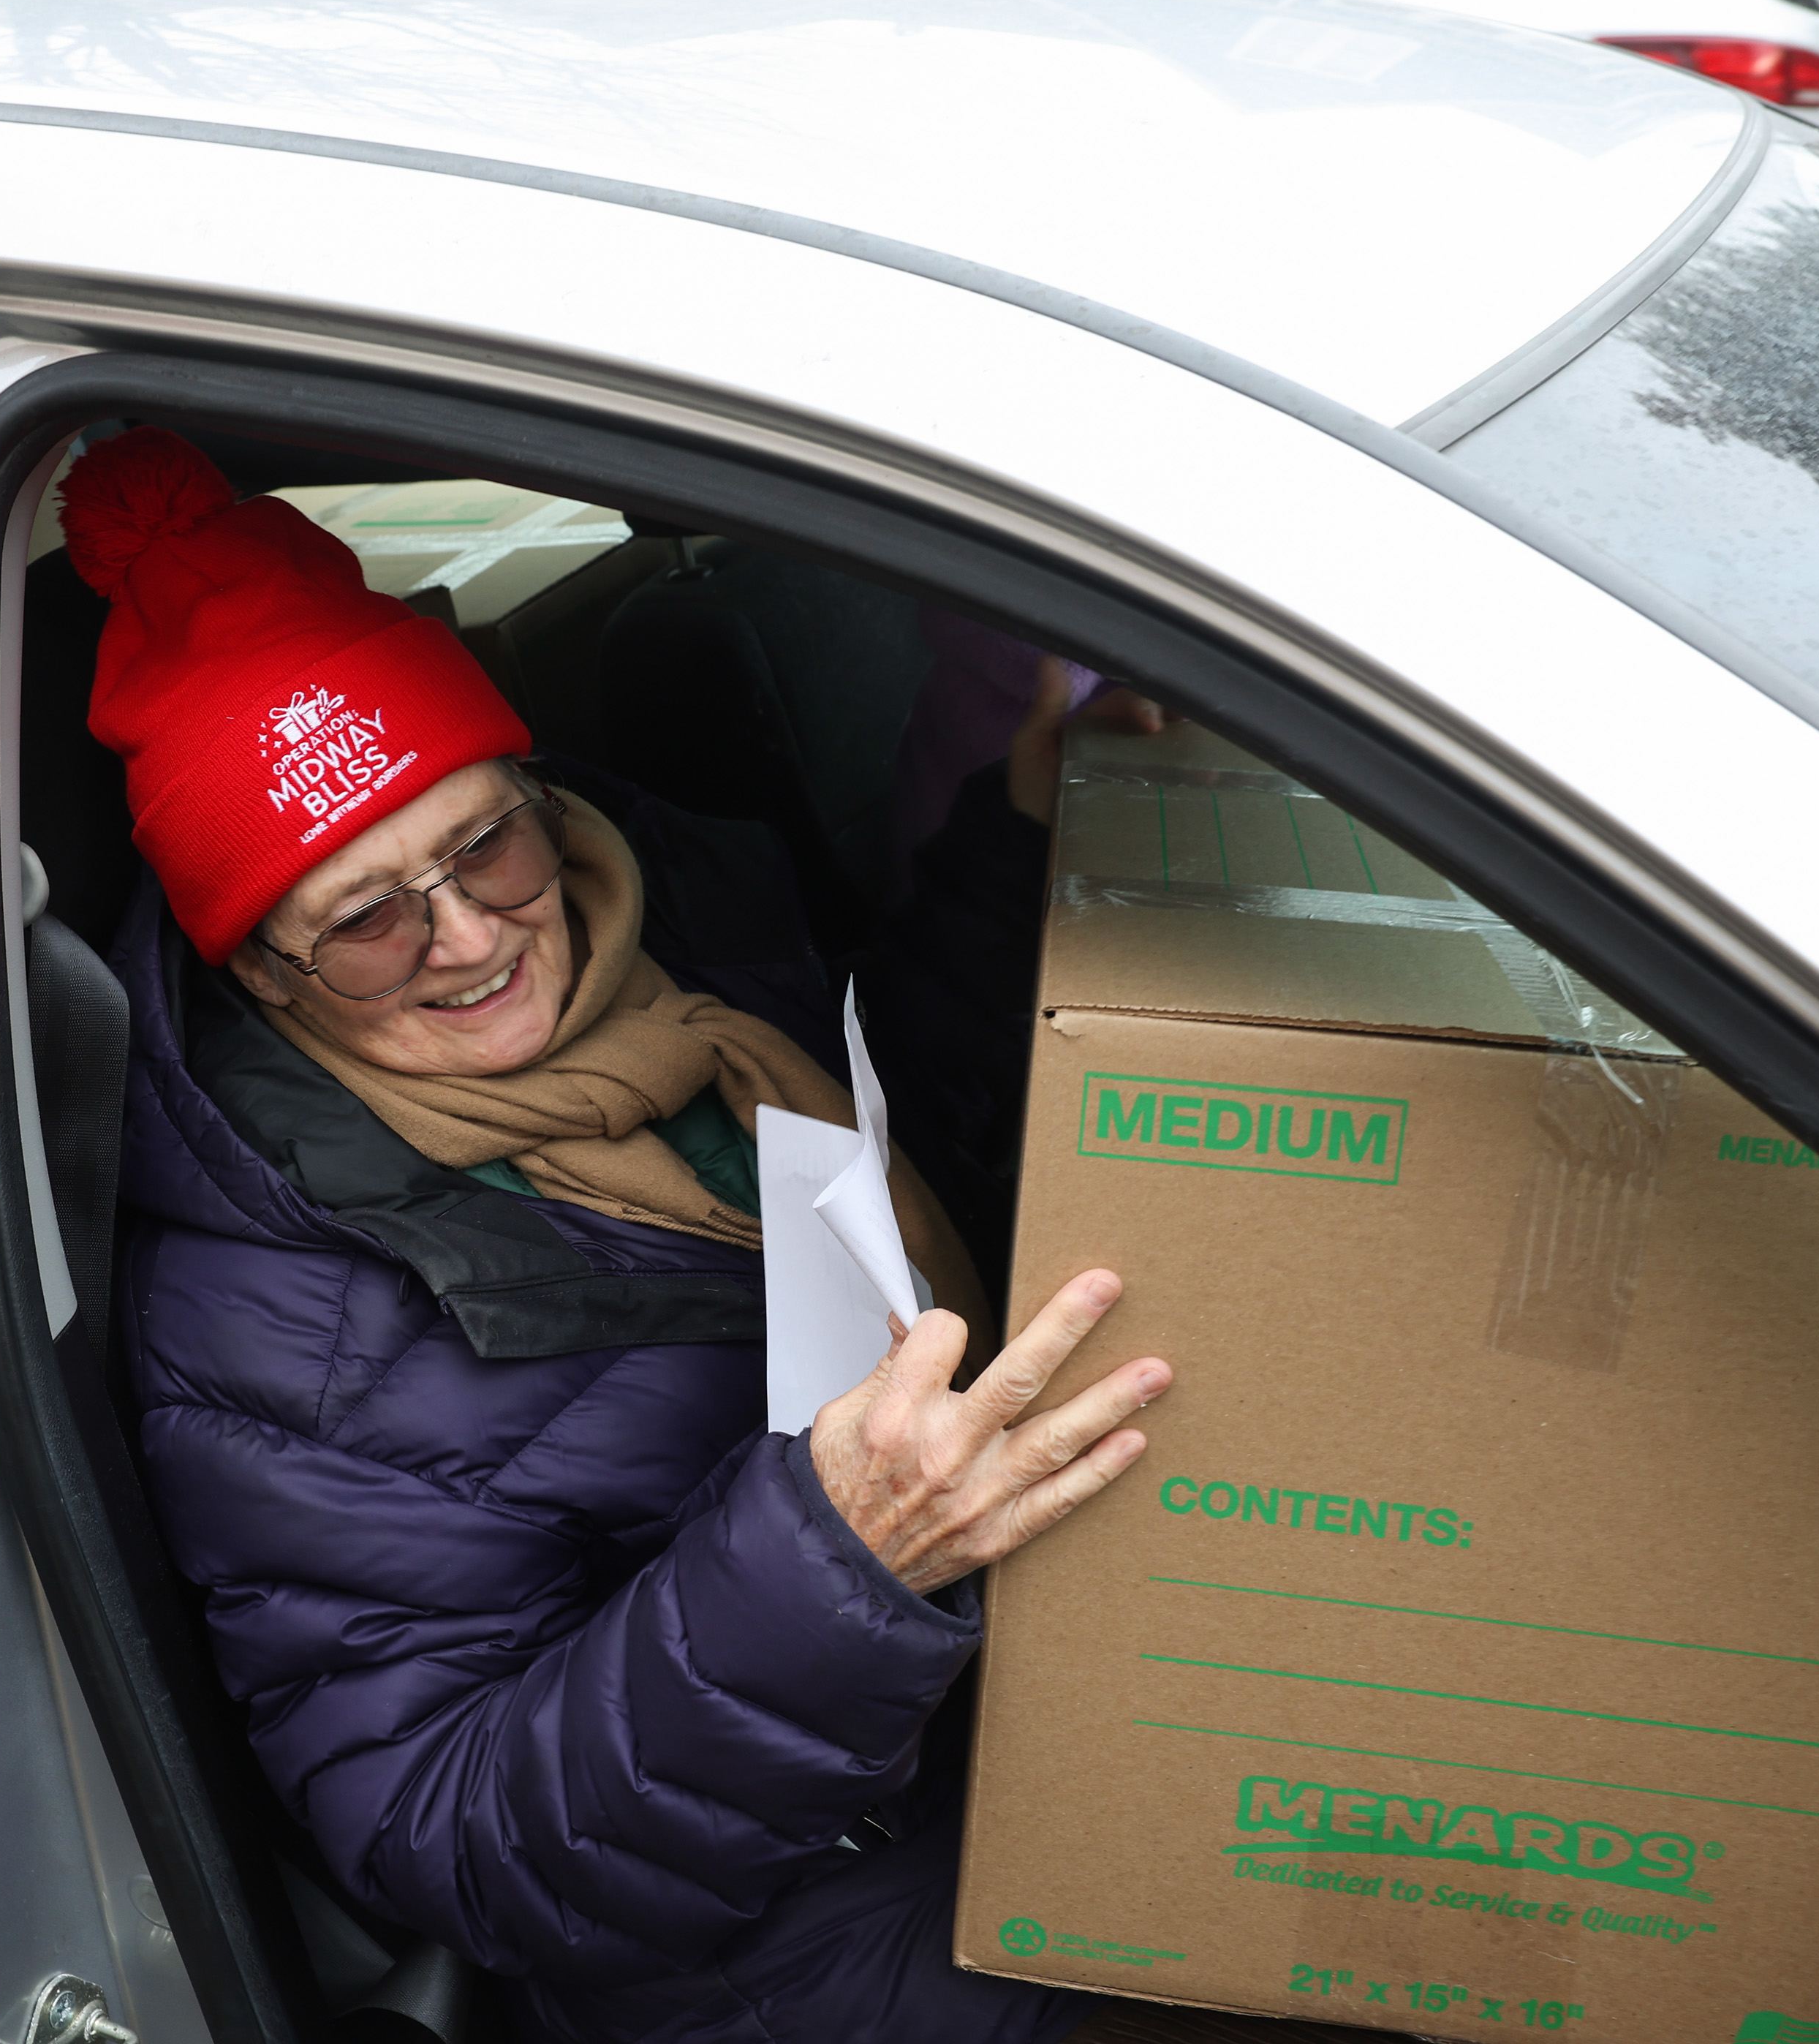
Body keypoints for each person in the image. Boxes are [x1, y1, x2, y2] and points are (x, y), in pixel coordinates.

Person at [80, 427, 1174, 2044]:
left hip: (1003, 1672)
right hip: (782, 1924)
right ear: (261, 972)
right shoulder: (273, 1324)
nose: (469, 940)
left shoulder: (675, 943)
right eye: (365, 921)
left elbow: (895, 1146)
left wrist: (1025, 832)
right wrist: (837, 1561)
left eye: (482, 844)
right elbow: (449, 1842)